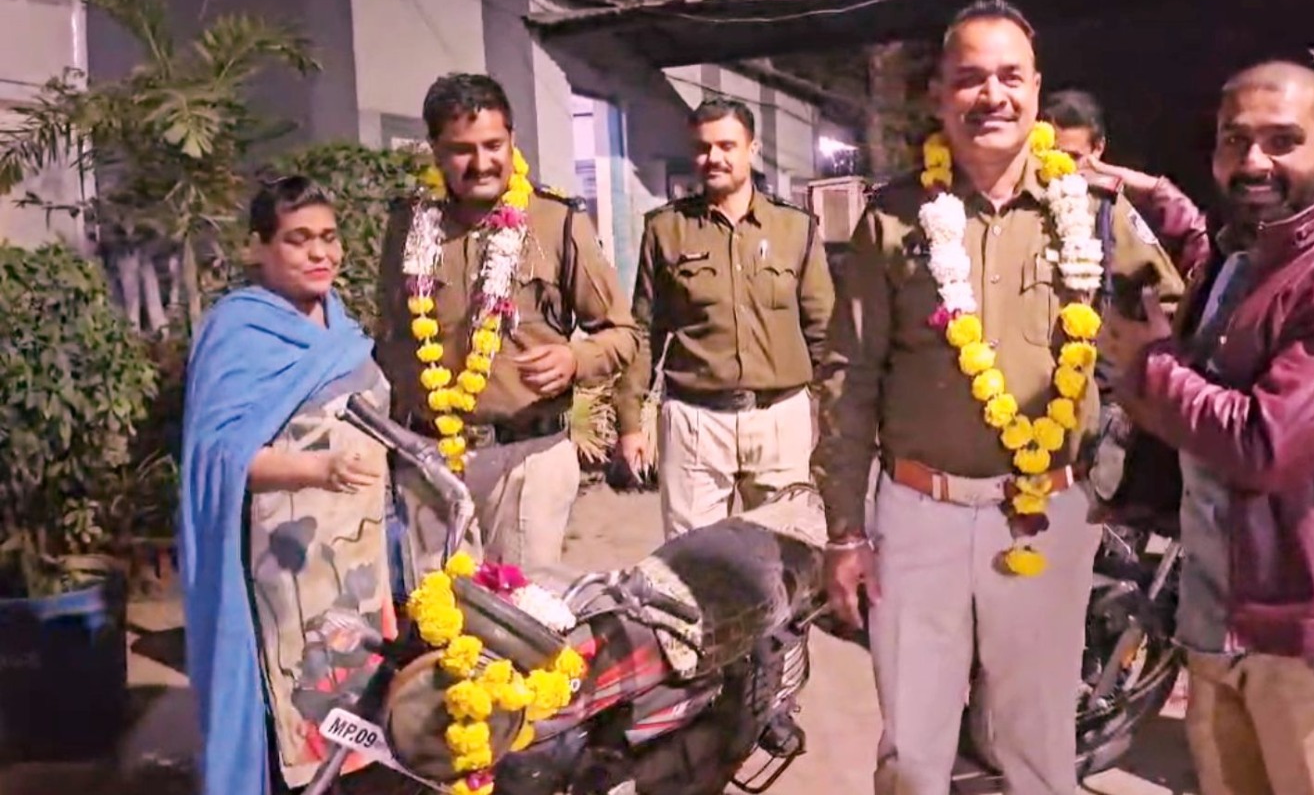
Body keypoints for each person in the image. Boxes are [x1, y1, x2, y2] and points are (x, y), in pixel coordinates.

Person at [813, 0, 1183, 795]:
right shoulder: (892, 219)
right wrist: (846, 531)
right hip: (918, 515)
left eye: (1010, 77)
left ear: (1037, 90)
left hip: (1047, 513)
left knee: (1037, 745)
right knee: (914, 748)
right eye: (971, 78)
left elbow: (1172, 330)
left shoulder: (1092, 215)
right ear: (941, 95)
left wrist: (1119, 475)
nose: (993, 96)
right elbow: (849, 380)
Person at [1099, 60, 1314, 795]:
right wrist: (1153, 198)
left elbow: (1267, 443)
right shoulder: (1247, 255)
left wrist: (1147, 364)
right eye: (1235, 141)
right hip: (1222, 621)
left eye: (1283, 141)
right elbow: (1207, 263)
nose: (1254, 161)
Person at [181, 177, 397, 795]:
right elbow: (221, 457)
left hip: (358, 559)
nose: (318, 253)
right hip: (288, 566)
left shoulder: (341, 327)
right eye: (298, 240)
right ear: (259, 248)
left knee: (363, 724)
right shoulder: (239, 331)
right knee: (302, 721)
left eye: (328, 238)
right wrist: (318, 470)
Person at [377, 73, 637, 576]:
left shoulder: (557, 222)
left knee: (523, 620)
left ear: (512, 140)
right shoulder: (408, 225)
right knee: (440, 619)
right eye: (461, 149)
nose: (481, 163)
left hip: (526, 462)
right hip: (429, 459)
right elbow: (389, 337)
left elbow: (623, 333)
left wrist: (574, 359)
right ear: (434, 150)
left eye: (493, 144)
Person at [614, 97, 833, 537]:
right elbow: (643, 331)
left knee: (785, 555)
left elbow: (824, 331)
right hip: (696, 423)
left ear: (752, 149)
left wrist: (836, 420)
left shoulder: (795, 228)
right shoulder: (666, 229)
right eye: (703, 147)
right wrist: (630, 422)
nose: (714, 157)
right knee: (691, 563)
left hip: (779, 420)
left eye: (727, 145)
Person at [1040, 88, 1211, 280]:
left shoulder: (1114, 207)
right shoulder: (1021, 201)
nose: (1063, 168)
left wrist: (1158, 190)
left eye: (1073, 157)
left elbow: (1168, 288)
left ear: (1098, 149)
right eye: (1052, 154)